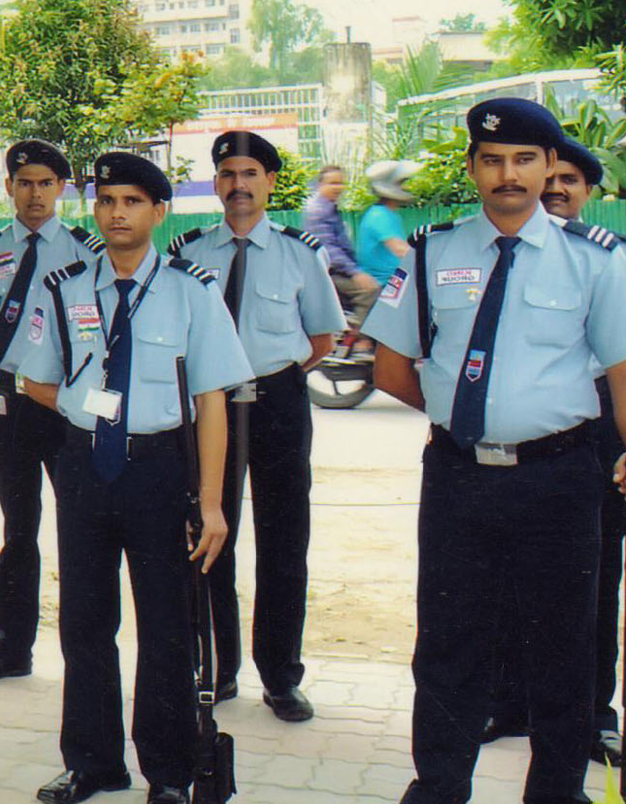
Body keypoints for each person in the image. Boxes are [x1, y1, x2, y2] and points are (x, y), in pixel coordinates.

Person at [362, 98, 626, 804]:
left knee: (563, 647)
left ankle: (557, 793)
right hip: (459, 478)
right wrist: (467, 418)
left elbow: (622, 369)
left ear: (549, 166)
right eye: (493, 160)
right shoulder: (432, 253)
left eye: (524, 160)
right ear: (474, 167)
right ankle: (439, 789)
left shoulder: (595, 260)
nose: (508, 174)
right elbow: (391, 368)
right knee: (448, 645)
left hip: (560, 477)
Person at [21, 152, 253, 804]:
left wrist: (213, 504)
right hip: (85, 469)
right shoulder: (65, 286)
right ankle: (93, 763)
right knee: (84, 622)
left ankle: (170, 772)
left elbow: (211, 401)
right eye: (105, 201)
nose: (116, 214)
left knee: (167, 626)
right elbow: (36, 379)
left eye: (130, 202)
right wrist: (94, 408)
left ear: (158, 211)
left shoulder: (191, 289)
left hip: (160, 471)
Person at [168, 130, 345, 722]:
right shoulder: (189, 252)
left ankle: (280, 677)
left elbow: (321, 339)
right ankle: (218, 669)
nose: (238, 185)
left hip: (276, 405)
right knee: (209, 534)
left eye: (249, 174)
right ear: (217, 184)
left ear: (270, 182)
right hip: (209, 409)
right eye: (227, 175)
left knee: (284, 541)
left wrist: (269, 378)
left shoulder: (301, 253)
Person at [485, 137, 625, 767]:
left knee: (594, 576)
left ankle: (594, 715)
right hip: (528, 431)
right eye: (554, 177)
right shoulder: (505, 252)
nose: (559, 189)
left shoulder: (609, 258)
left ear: (589, 192)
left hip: (599, 424)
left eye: (573, 180)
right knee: (507, 573)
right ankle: (510, 703)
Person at [0, 139, 105, 679]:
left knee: (80, 528)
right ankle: (12, 649)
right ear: (9, 187)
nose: (35, 194)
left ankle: (82, 653)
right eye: (25, 183)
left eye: (45, 184)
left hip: (63, 407)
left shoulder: (87, 252)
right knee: (18, 530)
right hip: (7, 408)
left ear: (61, 189)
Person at [303, 165, 379, 338]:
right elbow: (328, 248)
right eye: (332, 183)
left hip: (335, 270)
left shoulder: (329, 208)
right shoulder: (319, 211)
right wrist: (354, 272)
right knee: (369, 290)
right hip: (327, 273)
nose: (338, 187)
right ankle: (357, 338)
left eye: (340, 183)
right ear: (320, 185)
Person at [356, 160, 419, 287]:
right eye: (401, 184)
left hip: (394, 282)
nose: (405, 188)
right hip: (383, 286)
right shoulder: (379, 216)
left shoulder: (389, 214)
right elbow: (401, 250)